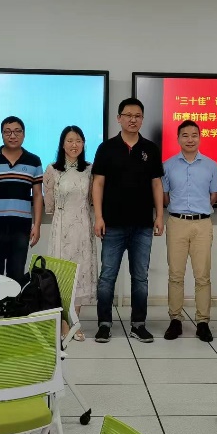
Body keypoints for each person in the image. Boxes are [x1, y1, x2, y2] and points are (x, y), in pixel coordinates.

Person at [92, 98, 163, 344]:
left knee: (140, 277)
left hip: (142, 225)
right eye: (128, 115)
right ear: (119, 118)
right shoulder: (106, 148)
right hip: (112, 224)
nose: (133, 119)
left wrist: (159, 216)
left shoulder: (150, 148)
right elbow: (98, 183)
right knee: (107, 277)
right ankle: (104, 324)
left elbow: (156, 184)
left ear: (142, 119)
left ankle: (138, 324)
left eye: (137, 116)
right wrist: (99, 217)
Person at [163, 120, 217, 342]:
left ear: (200, 137)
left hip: (202, 224)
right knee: (175, 274)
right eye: (185, 135)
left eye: (194, 135)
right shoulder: (168, 166)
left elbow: (214, 196)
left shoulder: (211, 165)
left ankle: (203, 322)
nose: (190, 139)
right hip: (176, 222)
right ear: (178, 139)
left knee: (202, 275)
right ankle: (175, 320)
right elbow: (165, 196)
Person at [43, 126, 97, 341]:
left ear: (83, 144)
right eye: (70, 140)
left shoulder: (90, 170)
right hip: (61, 228)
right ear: (62, 144)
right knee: (61, 275)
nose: (74, 145)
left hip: (83, 228)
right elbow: (49, 204)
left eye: (78, 141)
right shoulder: (52, 170)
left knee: (80, 274)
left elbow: (92, 199)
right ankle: (63, 324)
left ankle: (75, 323)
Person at [0, 116, 43, 284]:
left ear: (24, 134)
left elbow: (37, 195)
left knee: (16, 276)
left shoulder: (34, 161)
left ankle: (14, 303)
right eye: (7, 132)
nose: (12, 135)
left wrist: (37, 225)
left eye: (17, 131)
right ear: (1, 134)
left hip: (21, 227)